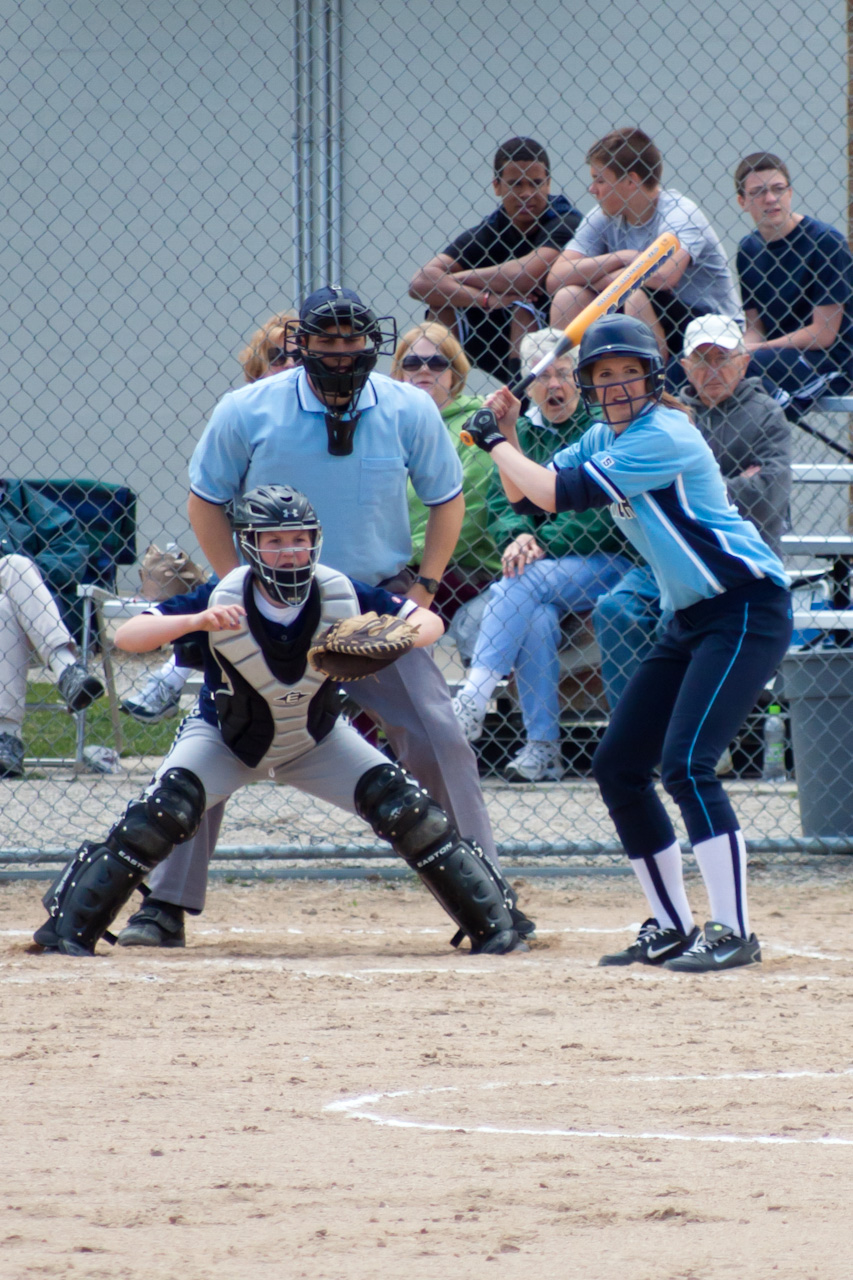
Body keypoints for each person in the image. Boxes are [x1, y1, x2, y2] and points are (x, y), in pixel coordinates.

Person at [114, 285, 533, 945]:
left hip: (368, 603)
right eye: (327, 341)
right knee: (219, 737)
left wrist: (424, 586)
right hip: (269, 601)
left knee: (437, 734)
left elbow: (445, 498)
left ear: (372, 343)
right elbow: (205, 501)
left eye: (353, 340)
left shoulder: (406, 406)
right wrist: (236, 586)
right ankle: (164, 904)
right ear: (301, 343)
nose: (342, 352)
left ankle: (487, 895)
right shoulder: (248, 408)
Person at [32, 486, 527, 957]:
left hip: (316, 740)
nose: (290, 552)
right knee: (163, 811)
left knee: (407, 810)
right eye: (274, 542)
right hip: (225, 738)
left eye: (299, 539)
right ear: (250, 546)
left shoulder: (337, 591)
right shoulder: (223, 595)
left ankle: (496, 923)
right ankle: (70, 928)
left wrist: (390, 634)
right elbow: (128, 636)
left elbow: (429, 622)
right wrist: (195, 622)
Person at [461, 313, 792, 972]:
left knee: (687, 765)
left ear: (651, 379)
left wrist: (490, 440)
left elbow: (559, 491)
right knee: (618, 766)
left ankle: (733, 931)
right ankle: (671, 925)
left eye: (628, 373)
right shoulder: (602, 436)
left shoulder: (663, 433)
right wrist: (506, 432)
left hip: (745, 606)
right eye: (604, 374)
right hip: (690, 616)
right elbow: (529, 500)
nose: (616, 386)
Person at [450, 328, 630, 782]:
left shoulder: (599, 428)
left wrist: (540, 541)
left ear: (579, 379)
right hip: (546, 572)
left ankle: (474, 695)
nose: (555, 386)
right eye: (543, 376)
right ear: (528, 385)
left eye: (564, 374)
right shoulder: (522, 431)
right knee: (536, 616)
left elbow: (599, 514)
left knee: (523, 580)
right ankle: (543, 749)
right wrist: (517, 535)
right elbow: (502, 501)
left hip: (610, 561)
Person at [593, 313, 792, 708]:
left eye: (722, 357)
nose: (711, 369)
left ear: (743, 362)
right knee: (613, 609)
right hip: (667, 559)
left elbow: (769, 496)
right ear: (683, 366)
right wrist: (723, 486)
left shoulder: (766, 414)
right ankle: (632, 725)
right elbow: (635, 489)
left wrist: (679, 489)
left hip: (734, 566)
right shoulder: (665, 415)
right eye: (701, 359)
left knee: (678, 622)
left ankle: (681, 726)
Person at [120, 310, 301, 724]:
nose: (290, 365)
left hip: (308, 558)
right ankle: (181, 684)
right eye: (278, 357)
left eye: (299, 357)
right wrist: (236, 578)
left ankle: (171, 678)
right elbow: (207, 500)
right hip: (253, 562)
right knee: (226, 594)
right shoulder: (243, 418)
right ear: (257, 371)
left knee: (229, 596)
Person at [546, 127, 741, 368]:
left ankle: (653, 384)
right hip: (639, 311)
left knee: (636, 294)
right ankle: (569, 383)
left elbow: (664, 276)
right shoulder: (604, 216)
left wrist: (601, 280)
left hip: (708, 326)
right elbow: (556, 277)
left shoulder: (680, 213)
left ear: (631, 181)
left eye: (600, 180)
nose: (592, 189)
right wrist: (622, 257)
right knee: (568, 297)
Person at [408, 137, 582, 382]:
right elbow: (420, 283)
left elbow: (524, 276)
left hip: (548, 337)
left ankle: (520, 397)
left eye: (536, 183)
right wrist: (487, 300)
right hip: (494, 326)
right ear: (497, 186)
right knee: (442, 305)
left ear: (548, 184)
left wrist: (453, 278)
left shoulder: (566, 220)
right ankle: (438, 395)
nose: (527, 193)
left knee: (522, 307)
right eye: (515, 184)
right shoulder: (493, 227)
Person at [391, 321, 500, 620]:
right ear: (399, 372)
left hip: (462, 565)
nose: (424, 370)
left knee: (387, 607)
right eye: (412, 363)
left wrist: (402, 556)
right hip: (399, 563)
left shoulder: (476, 424)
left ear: (456, 372)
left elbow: (472, 514)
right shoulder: (388, 424)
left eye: (437, 363)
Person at [735, 151, 853, 416]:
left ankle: (773, 427)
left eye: (778, 189)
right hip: (777, 356)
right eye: (758, 192)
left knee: (745, 366)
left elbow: (823, 333)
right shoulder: (748, 249)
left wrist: (752, 351)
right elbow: (755, 327)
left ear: (790, 193)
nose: (770, 199)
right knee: (703, 367)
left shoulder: (825, 242)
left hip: (832, 360)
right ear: (742, 201)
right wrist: (734, 351)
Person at [0, 554, 105, 777]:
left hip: (42, 617)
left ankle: (6, 739)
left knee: (15, 566)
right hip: (40, 633)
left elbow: (68, 561)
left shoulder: (50, 526)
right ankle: (66, 669)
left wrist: (28, 574)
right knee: (4, 599)